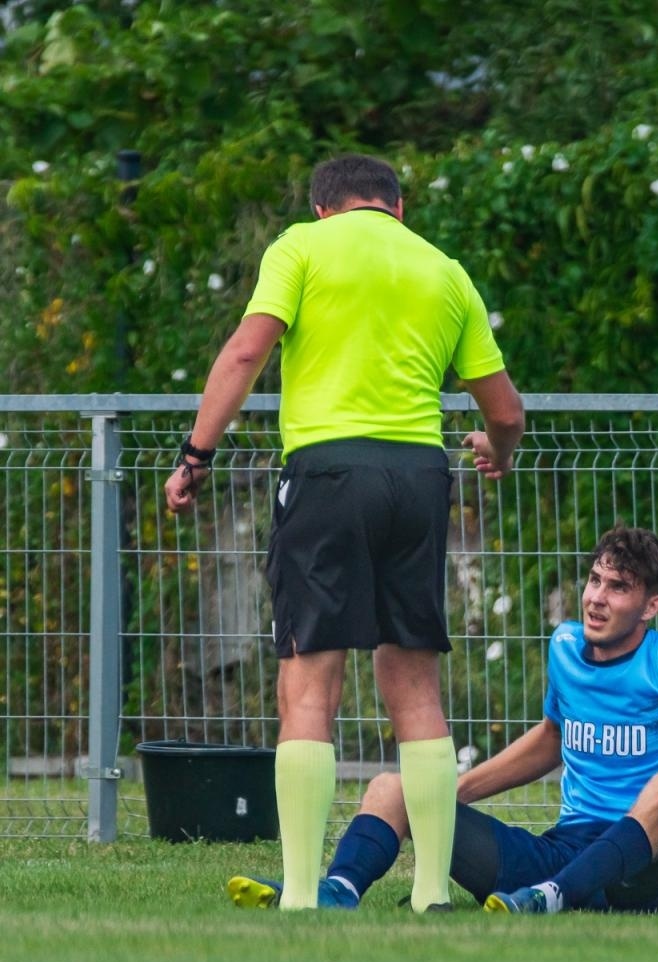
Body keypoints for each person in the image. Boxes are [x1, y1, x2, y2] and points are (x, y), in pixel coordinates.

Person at [165, 154, 524, 912]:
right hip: (421, 480)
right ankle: (431, 893)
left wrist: (197, 452)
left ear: (325, 208)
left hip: (327, 476)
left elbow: (245, 351)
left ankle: (299, 891)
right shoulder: (444, 269)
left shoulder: (301, 246)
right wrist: (497, 452)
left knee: (309, 682)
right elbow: (507, 412)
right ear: (399, 206)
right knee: (415, 684)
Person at [227, 526, 658, 915]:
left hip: (652, 870)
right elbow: (552, 739)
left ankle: (548, 898)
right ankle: (335, 891)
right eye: (595, 579)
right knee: (394, 787)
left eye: (618, 588)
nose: (596, 598)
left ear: (651, 607)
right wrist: (446, 799)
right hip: (566, 847)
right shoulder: (566, 648)